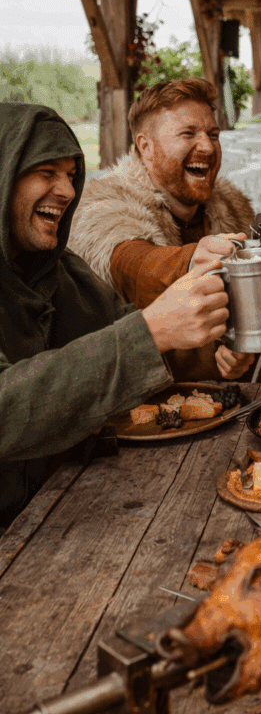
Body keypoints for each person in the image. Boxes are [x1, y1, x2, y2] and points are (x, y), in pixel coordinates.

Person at [0, 102, 231, 529]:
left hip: (64, 508)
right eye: (46, 173)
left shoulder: (64, 273)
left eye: (70, 176)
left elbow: (133, 343)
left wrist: (215, 349)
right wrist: (152, 327)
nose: (68, 191)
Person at [70, 77, 256, 382]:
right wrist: (192, 260)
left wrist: (237, 352)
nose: (208, 147)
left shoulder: (235, 208)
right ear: (146, 147)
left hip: (222, 409)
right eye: (188, 134)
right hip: (140, 409)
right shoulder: (103, 203)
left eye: (213, 134)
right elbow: (131, 263)